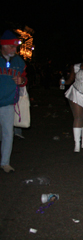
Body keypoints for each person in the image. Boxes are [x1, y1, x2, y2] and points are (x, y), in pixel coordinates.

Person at [0, 30, 28, 173]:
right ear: (3, 46)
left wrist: (22, 80)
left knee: (8, 133)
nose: (14, 50)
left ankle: (5, 163)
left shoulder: (19, 62)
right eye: (11, 46)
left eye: (15, 47)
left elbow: (24, 79)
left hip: (9, 103)